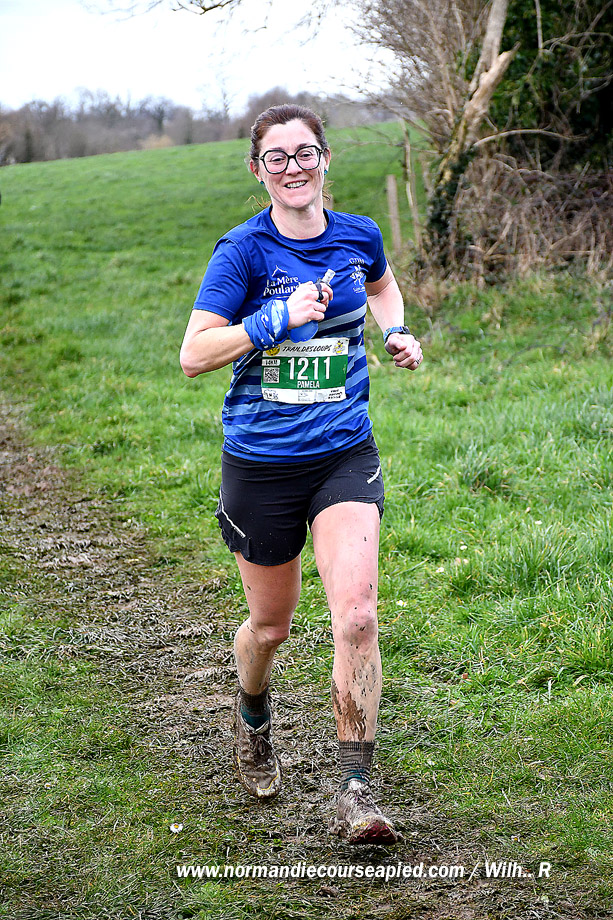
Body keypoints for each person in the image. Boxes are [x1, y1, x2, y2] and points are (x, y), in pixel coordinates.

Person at [180, 103, 423, 845]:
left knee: (357, 615)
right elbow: (193, 353)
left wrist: (395, 330)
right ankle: (253, 715)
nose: (294, 167)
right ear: (258, 171)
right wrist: (273, 320)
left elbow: (381, 286)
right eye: (277, 157)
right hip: (262, 463)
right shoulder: (242, 252)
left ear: (325, 159)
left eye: (305, 152)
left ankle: (356, 789)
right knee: (270, 627)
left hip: (343, 449)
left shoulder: (358, 233)